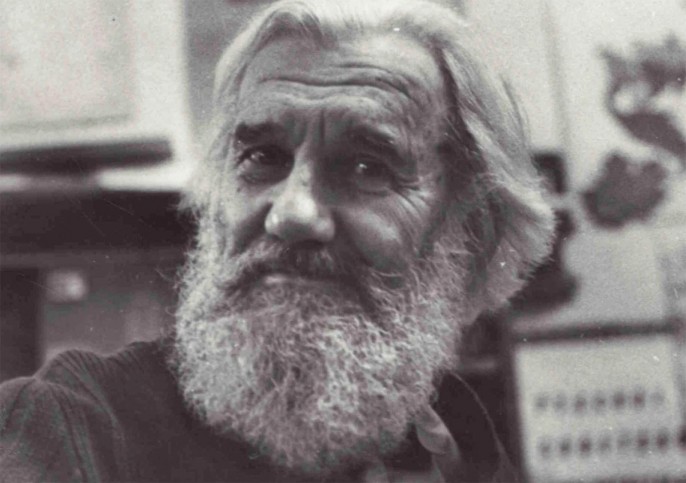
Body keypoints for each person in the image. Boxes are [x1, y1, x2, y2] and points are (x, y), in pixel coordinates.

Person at [0, 0, 555, 481]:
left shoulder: (464, 449)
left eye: (366, 166)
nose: (292, 213)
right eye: (263, 157)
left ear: (473, 237)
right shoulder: (70, 429)